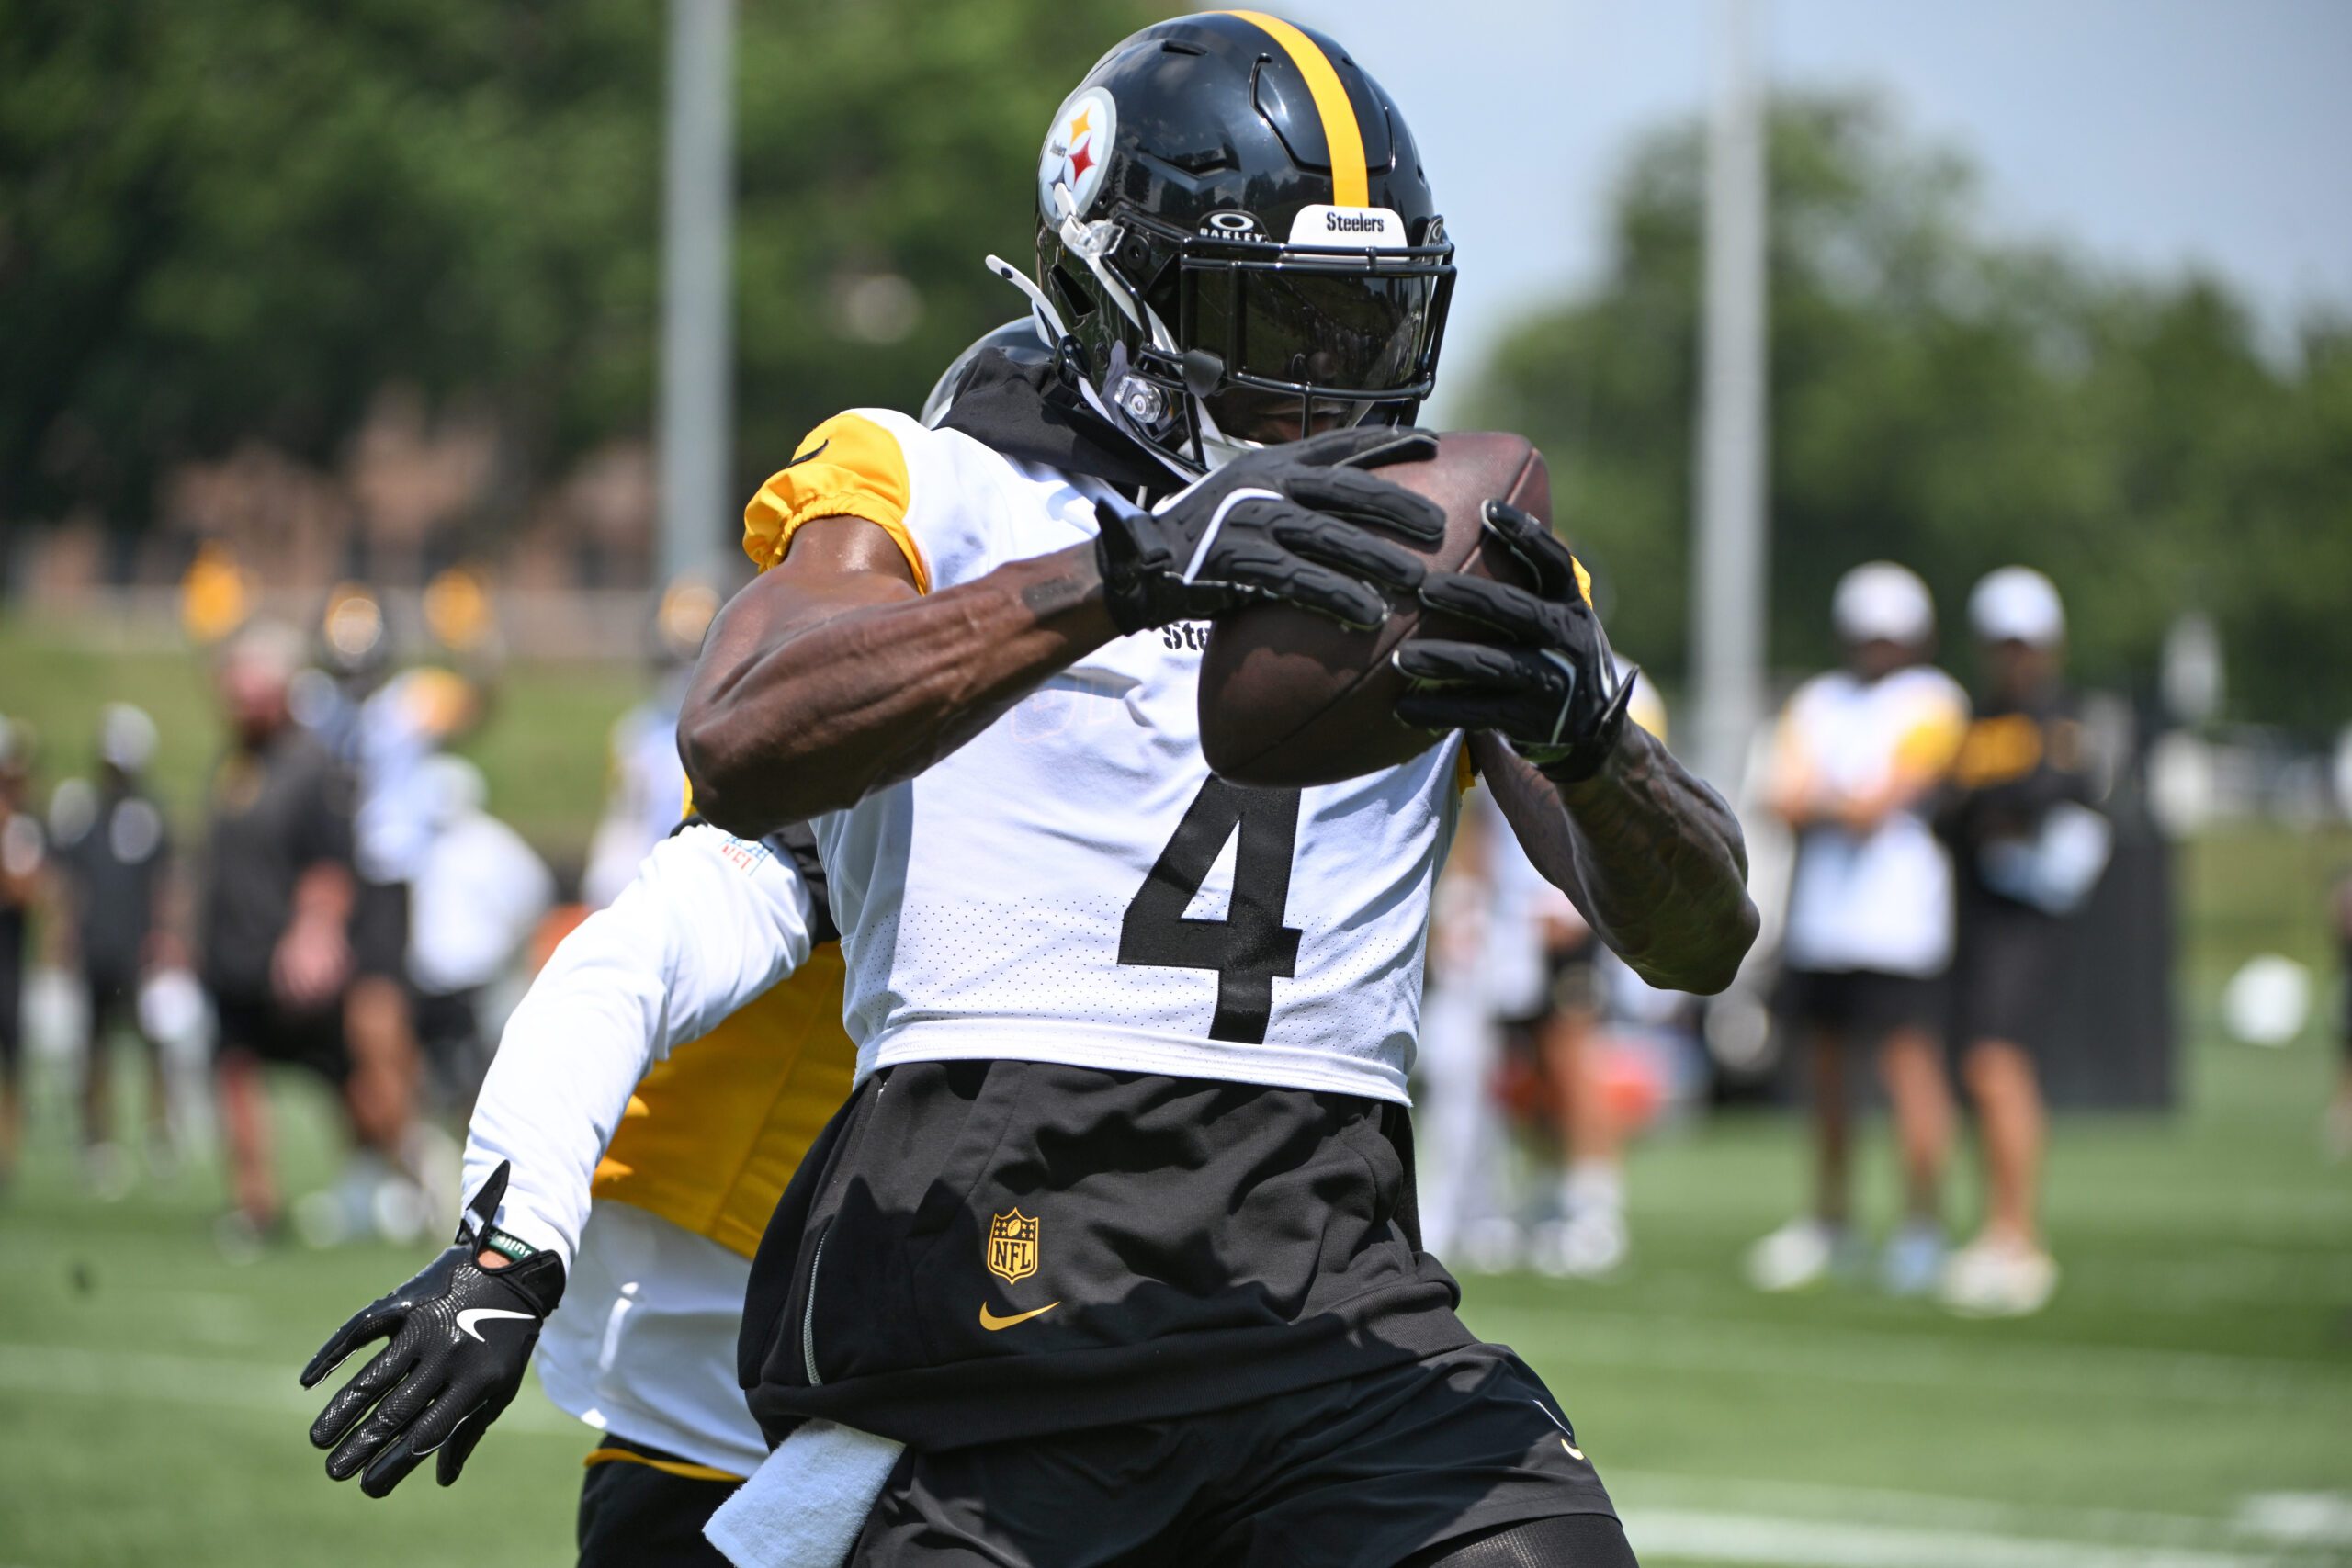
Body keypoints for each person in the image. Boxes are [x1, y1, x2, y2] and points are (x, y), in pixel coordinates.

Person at [675, 16, 1753, 1565]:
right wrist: (1116, 575)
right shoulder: (941, 485)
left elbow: (1703, 936)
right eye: (1272, 316)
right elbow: (740, 731)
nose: (1323, 385)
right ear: (1111, 292)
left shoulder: (1434, 544)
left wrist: (1598, 737)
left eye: (1364, 326)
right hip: (998, 1272)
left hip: (1324, 1283)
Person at [301, 815, 845, 1568]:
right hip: (753, 1331)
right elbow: (626, 969)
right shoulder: (882, 776)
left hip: (958, 1321)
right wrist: (512, 1248)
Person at [1747, 563, 1969, 1298]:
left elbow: (1880, 801)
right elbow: (1783, 796)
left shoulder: (1936, 700)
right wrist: (1839, 801)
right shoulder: (1818, 700)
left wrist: (1830, 799)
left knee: (1910, 1074)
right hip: (1824, 922)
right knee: (1829, 1078)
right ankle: (1832, 1220)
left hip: (1899, 923)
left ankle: (1922, 1226)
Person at [1936, 567, 2109, 1316]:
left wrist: (1988, 804)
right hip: (1978, 909)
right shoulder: (1977, 720)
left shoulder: (2057, 715)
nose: (2014, 657)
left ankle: (2019, 1233)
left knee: (1996, 1063)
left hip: (2027, 917)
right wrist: (1988, 805)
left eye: (2024, 642)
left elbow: (2054, 791)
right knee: (1979, 1067)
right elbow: (1949, 806)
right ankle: (1999, 1227)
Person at [198, 621, 362, 1250]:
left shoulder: (309, 764)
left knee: (344, 1078)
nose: (238, 703)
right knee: (233, 1070)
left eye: (250, 691)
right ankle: (255, 1204)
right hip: (233, 954)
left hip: (288, 958)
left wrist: (314, 930)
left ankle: (404, 1165)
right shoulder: (234, 761)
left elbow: (330, 862)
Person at [47, 704, 178, 1195]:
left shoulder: (149, 813)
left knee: (152, 1045)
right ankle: (97, 1139)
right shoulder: (81, 811)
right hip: (96, 946)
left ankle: (160, 1131)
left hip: (137, 948)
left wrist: (167, 935)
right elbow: (67, 881)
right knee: (93, 1047)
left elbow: (166, 881)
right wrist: (61, 935)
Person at [0, 716, 43, 1193]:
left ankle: (6, 1156)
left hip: (8, 957)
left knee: (13, 1058)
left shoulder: (20, 825)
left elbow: (28, 890)